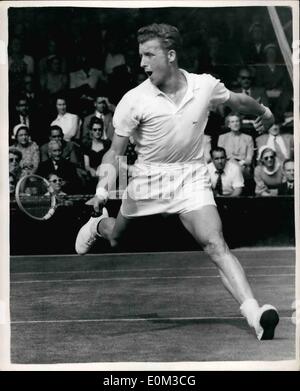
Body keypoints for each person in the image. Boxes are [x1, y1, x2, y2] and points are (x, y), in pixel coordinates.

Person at [75, 23, 279, 340]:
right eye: (140, 55)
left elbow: (238, 101)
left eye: (148, 54)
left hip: (191, 176)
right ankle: (98, 225)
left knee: (215, 244)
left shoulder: (204, 86)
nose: (141, 63)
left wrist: (264, 112)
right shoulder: (134, 99)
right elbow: (115, 153)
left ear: (170, 55)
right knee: (117, 238)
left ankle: (254, 312)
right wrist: (102, 190)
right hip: (147, 178)